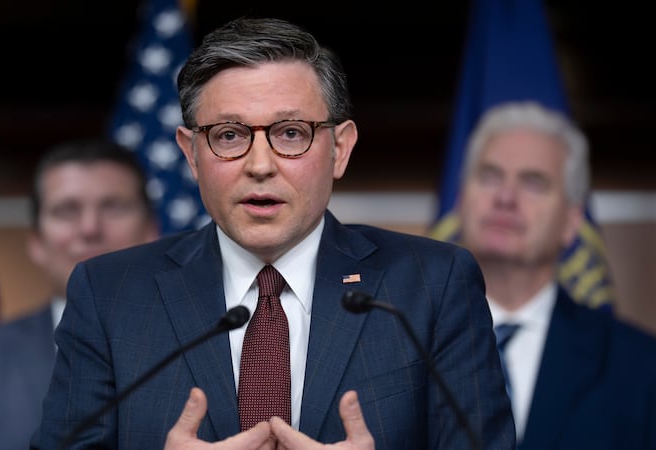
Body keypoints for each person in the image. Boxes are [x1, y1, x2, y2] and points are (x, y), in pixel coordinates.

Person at [31, 17, 516, 450]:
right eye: (228, 135)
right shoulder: (110, 294)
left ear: (340, 149)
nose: (259, 166)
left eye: (290, 133)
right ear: (190, 154)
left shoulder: (433, 286)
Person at [0, 138, 160, 450]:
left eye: (114, 207)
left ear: (152, 231)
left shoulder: (218, 347)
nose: (90, 228)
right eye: (66, 210)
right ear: (36, 241)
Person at [455, 100, 656, 450]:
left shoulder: (651, 372)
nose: (506, 197)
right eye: (490, 176)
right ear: (461, 200)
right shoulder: (395, 347)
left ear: (572, 222)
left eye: (533, 182)